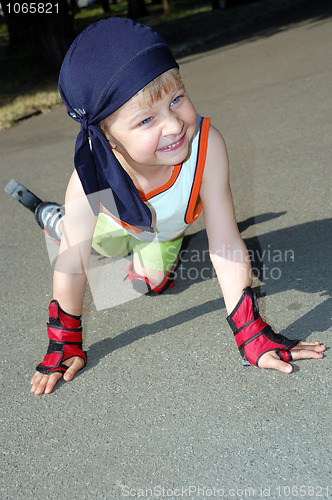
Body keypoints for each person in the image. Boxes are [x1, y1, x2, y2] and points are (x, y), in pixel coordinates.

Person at [30, 17, 325, 396]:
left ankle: (147, 254)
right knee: (87, 242)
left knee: (151, 284)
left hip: (163, 232)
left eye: (176, 99)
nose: (173, 125)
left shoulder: (206, 146)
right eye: (147, 119)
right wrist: (64, 340)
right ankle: (57, 220)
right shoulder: (91, 176)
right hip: (112, 226)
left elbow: (225, 243)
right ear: (108, 138)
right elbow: (72, 267)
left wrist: (251, 334)